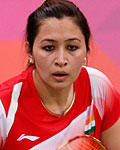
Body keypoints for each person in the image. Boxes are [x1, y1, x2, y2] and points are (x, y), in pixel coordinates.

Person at [0, 0, 120, 149]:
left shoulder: (99, 87)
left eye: (72, 47)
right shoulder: (4, 108)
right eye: (49, 47)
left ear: (86, 50)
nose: (61, 60)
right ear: (30, 50)